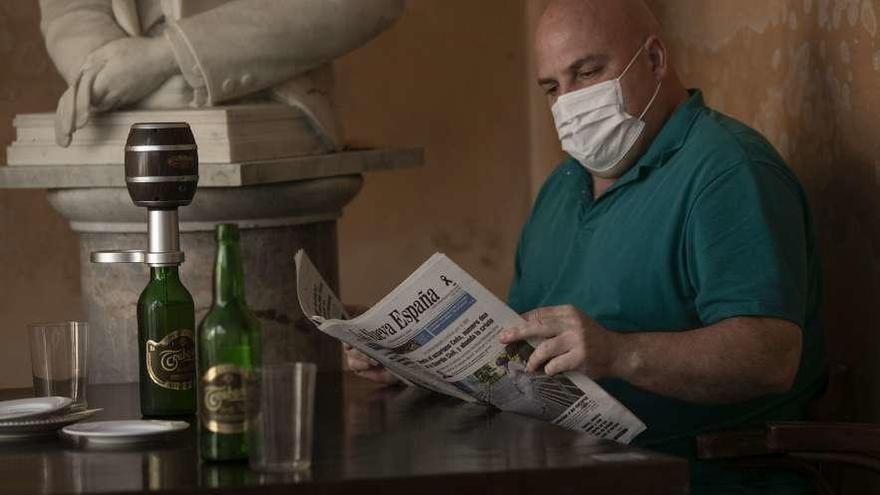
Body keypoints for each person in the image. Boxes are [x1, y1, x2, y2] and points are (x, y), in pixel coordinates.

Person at [346, 1, 825, 493]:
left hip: (697, 474)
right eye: (553, 87)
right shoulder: (563, 186)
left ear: (655, 60)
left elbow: (770, 357)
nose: (569, 101)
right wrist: (415, 362)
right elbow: (520, 350)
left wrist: (618, 353)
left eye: (588, 72)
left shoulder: (728, 171)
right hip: (565, 462)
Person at [39, 0, 404, 147]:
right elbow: (71, 11)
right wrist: (104, 70)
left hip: (270, 109)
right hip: (123, 122)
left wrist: (171, 55)